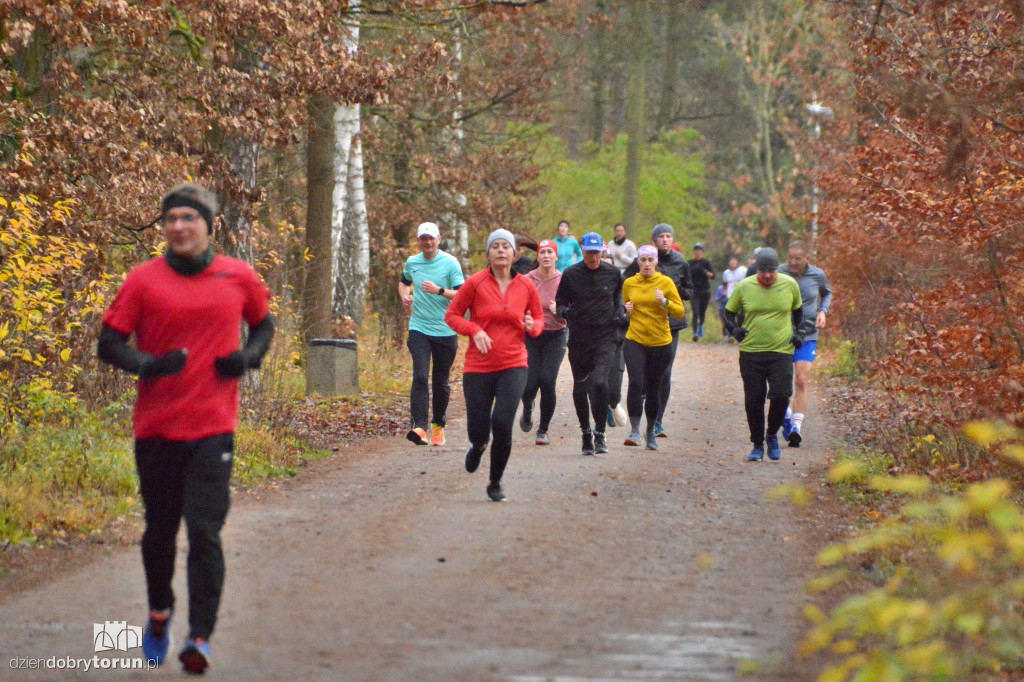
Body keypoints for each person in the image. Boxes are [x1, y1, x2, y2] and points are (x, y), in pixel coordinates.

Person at [97, 183, 274, 673]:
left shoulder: (238, 276)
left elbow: (264, 326)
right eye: (170, 219)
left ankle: (199, 637)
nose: (178, 226)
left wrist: (247, 358)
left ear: (208, 226)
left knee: (205, 533)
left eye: (188, 218)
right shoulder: (143, 281)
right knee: (159, 531)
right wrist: (149, 365)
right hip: (156, 428)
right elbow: (109, 344)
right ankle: (159, 613)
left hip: (214, 427)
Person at [445, 229, 543, 502]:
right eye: (495, 246)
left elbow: (539, 320)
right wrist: (474, 329)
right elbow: (452, 315)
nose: (501, 250)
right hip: (478, 366)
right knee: (478, 429)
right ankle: (478, 445)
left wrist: (532, 326)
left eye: (505, 246)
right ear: (488, 254)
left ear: (514, 254)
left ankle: (495, 481)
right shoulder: (474, 283)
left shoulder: (526, 286)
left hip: (514, 364)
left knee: (502, 423)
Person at [724, 247, 804, 462]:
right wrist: (734, 330)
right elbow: (728, 312)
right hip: (751, 352)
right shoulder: (744, 286)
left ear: (778, 269)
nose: (767, 275)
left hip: (781, 351)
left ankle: (772, 434)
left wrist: (800, 333)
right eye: (763, 271)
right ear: (756, 269)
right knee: (754, 400)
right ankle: (758, 444)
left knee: (782, 395)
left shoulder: (790, 285)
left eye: (771, 271)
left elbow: (798, 312)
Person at [555, 231, 626, 456]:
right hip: (579, 339)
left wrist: (620, 310)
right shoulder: (571, 274)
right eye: (589, 253)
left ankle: (600, 433)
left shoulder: (613, 273)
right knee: (581, 387)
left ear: (602, 251)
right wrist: (565, 312)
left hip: (606, 337)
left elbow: (619, 297)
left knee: (600, 382)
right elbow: (559, 303)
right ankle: (586, 432)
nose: (594, 257)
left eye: (597, 253)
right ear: (582, 251)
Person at [399, 222, 465, 447]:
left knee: (441, 381)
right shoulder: (412, 262)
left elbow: (462, 295)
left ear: (439, 239)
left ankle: (438, 424)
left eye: (431, 238)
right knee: (420, 375)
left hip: (446, 329)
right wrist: (405, 296)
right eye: (423, 238)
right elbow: (403, 282)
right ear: (418, 241)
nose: (427, 242)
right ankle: (419, 427)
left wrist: (439, 290)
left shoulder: (450, 263)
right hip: (419, 327)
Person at [623, 223, 693, 438]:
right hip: (642, 327)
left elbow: (689, 291)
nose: (665, 240)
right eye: (661, 236)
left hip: (670, 325)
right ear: (654, 240)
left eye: (668, 236)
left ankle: (657, 421)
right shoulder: (641, 263)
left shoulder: (681, 262)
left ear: (673, 240)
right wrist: (625, 309)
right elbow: (624, 286)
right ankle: (640, 417)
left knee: (665, 373)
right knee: (640, 377)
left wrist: (672, 293)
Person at [778, 241, 832, 447]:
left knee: (801, 380)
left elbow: (827, 293)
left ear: (807, 258)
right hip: (781, 335)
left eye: (797, 258)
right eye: (790, 258)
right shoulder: (779, 272)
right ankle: (785, 415)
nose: (792, 262)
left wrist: (823, 312)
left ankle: (796, 428)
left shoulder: (817, 275)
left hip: (808, 334)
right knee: (779, 383)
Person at [520, 239, 567, 445]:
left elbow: (573, 309)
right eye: (542, 252)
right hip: (530, 336)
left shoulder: (564, 281)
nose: (546, 256)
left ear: (556, 256)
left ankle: (543, 430)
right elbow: (515, 306)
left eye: (550, 252)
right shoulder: (527, 280)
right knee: (530, 384)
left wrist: (561, 311)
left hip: (555, 335)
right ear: (537, 256)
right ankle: (527, 406)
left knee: (547, 381)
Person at [687, 242, 715, 341]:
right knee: (695, 312)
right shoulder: (690, 263)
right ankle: (695, 334)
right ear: (694, 252)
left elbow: (713, 276)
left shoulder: (706, 263)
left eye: (699, 250)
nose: (697, 252)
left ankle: (701, 325)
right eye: (696, 250)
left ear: (702, 252)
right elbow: (686, 275)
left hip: (705, 291)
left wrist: (706, 272)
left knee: (702, 312)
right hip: (694, 291)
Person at [721, 255, 746, 341]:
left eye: (734, 261)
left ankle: (739, 335)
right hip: (730, 296)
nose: (732, 263)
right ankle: (730, 334)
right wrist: (724, 291)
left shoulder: (743, 270)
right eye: (731, 262)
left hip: (741, 296)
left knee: (741, 316)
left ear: (737, 262)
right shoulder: (726, 273)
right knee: (729, 316)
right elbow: (724, 283)